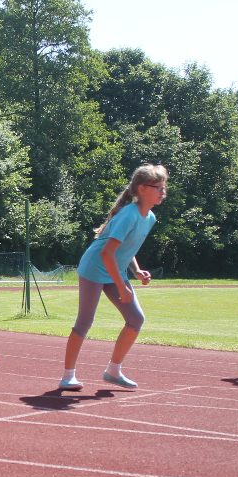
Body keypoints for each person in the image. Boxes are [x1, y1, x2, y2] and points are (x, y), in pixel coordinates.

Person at [58, 164, 167, 391]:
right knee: (85, 322)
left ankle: (113, 371)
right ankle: (68, 376)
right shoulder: (129, 215)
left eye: (163, 186)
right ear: (142, 189)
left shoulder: (150, 218)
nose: (162, 191)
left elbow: (128, 247)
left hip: (114, 269)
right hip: (95, 267)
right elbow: (107, 253)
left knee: (136, 319)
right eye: (158, 187)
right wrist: (121, 285)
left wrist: (135, 271)